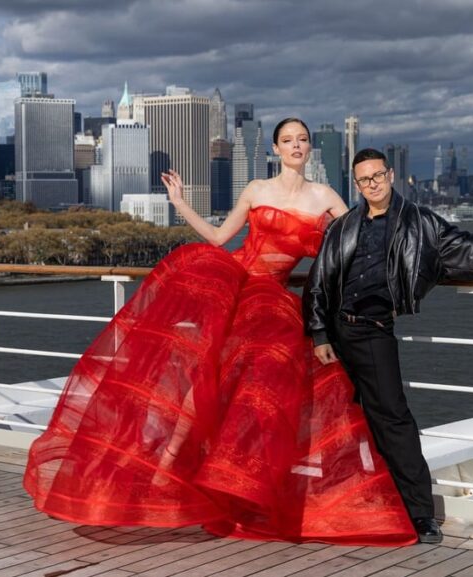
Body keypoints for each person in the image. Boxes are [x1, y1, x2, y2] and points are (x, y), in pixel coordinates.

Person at [24, 120, 420, 546]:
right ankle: (165, 470)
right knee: (202, 378)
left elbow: (361, 239)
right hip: (234, 282)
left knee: (259, 377)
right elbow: (217, 237)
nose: (296, 146)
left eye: (303, 140)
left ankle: (238, 483)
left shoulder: (325, 197)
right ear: (275, 149)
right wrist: (180, 202)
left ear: (310, 149)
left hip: (272, 295)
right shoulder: (256, 189)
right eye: (288, 140)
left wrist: (402, 247)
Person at [304, 148, 473, 544]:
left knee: (393, 420)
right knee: (336, 421)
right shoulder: (343, 227)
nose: (372, 184)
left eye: (377, 176)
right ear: (357, 185)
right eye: (364, 179)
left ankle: (420, 514)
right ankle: (348, 502)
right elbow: (319, 281)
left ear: (390, 175)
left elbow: (469, 250)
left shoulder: (420, 223)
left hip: (373, 333)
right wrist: (319, 334)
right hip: (336, 333)